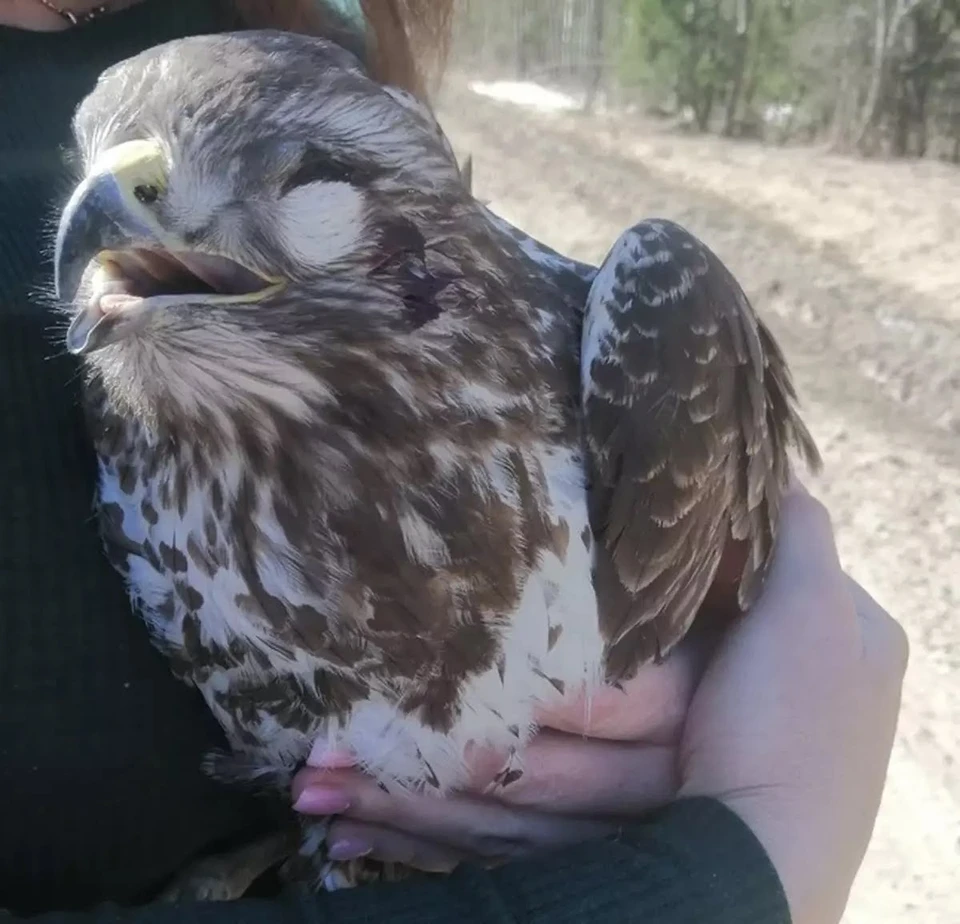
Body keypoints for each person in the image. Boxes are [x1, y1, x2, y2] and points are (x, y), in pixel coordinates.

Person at [0, 2, 907, 923]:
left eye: (291, 183)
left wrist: (756, 755)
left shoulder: (629, 326)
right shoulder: (138, 390)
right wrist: (740, 871)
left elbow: (779, 659)